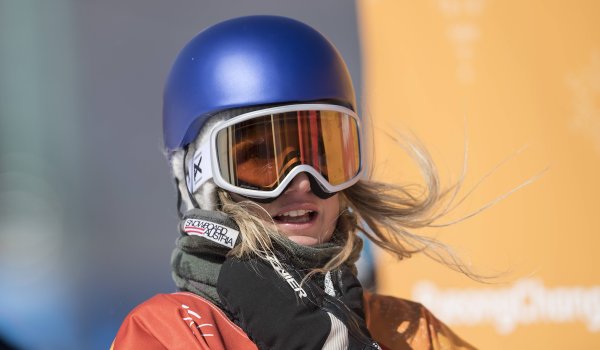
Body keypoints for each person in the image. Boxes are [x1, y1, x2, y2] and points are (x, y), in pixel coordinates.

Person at [112, 15, 477, 349]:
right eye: (261, 159)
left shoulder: (407, 328)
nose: (302, 181)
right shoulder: (166, 333)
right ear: (200, 177)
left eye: (323, 154)